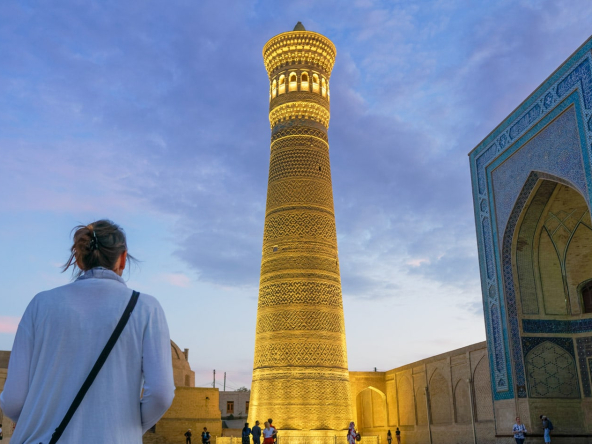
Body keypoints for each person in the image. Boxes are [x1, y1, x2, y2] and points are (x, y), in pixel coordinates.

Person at [0, 220, 175, 444]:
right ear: (122, 258)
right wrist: (124, 427)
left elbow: (13, 400)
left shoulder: (40, 304)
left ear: (79, 259)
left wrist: (41, 421)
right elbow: (160, 394)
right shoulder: (146, 308)